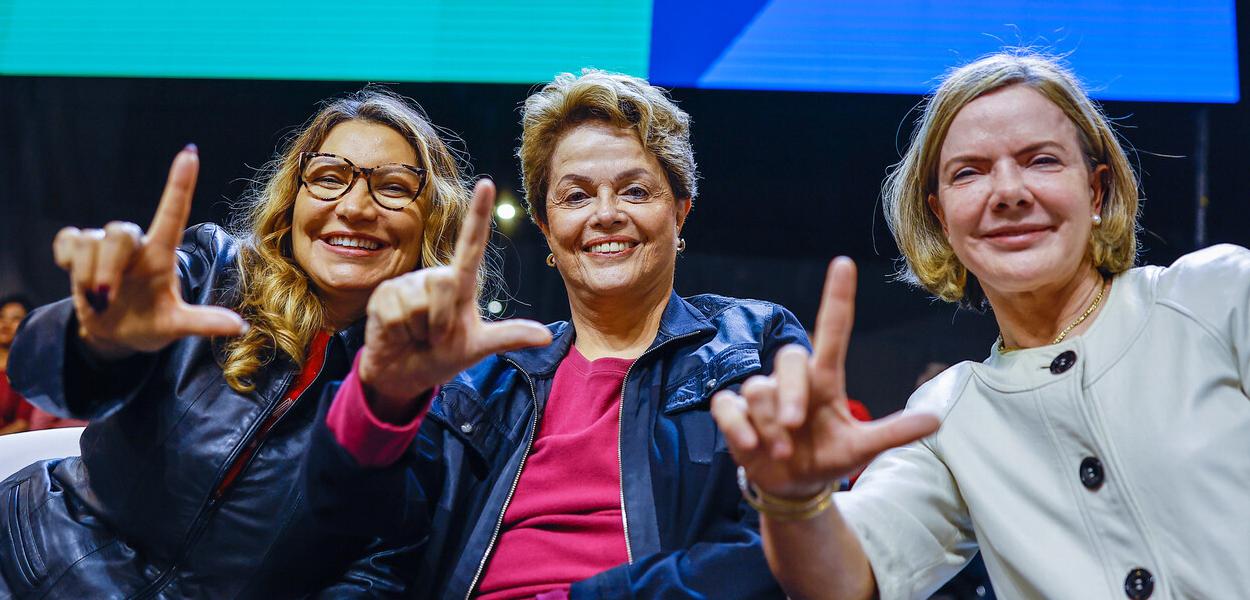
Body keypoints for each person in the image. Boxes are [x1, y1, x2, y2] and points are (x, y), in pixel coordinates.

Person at [710, 50, 1250, 599]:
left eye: (1041, 160)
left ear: (1097, 190)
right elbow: (840, 582)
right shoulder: (943, 415)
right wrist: (795, 501)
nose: (1009, 192)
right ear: (941, 218)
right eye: (969, 172)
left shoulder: (1218, 295)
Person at [303, 69, 809, 598]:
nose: (606, 214)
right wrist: (379, 401)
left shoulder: (750, 342)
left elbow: (778, 544)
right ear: (545, 227)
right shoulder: (480, 382)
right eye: (576, 197)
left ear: (680, 212)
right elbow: (370, 549)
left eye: (635, 191)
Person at [1, 88, 475, 598]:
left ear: (433, 219)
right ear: (293, 201)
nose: (355, 207)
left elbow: (379, 570)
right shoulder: (213, 273)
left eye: (394, 187)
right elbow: (34, 372)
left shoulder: (421, 395)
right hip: (30, 562)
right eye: (329, 178)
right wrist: (96, 341)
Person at [0, 294, 34, 435]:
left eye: (15, 318)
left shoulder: (26, 371)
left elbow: (22, 424)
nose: (5, 323)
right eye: (1, 317)